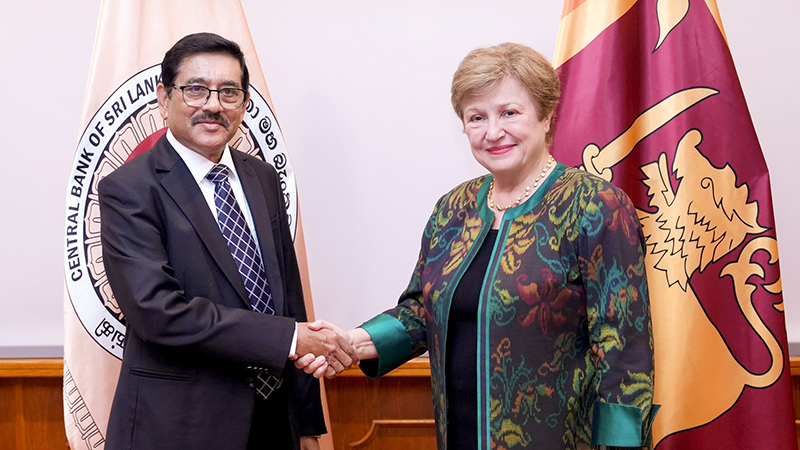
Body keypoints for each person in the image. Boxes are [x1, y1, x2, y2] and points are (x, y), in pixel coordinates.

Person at [297, 43, 656, 450]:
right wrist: (351, 341)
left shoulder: (595, 206)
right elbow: (421, 311)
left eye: (509, 113)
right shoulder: (454, 208)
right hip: (457, 436)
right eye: (476, 117)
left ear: (546, 115)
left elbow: (624, 352)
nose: (492, 132)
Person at [98, 32, 355, 450]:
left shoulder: (262, 179)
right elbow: (157, 312)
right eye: (196, 89)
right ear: (164, 98)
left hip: (274, 423)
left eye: (228, 92)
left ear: (244, 102)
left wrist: (307, 423)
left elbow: (288, 298)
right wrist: (289, 339)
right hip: (180, 427)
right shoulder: (128, 189)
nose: (213, 105)